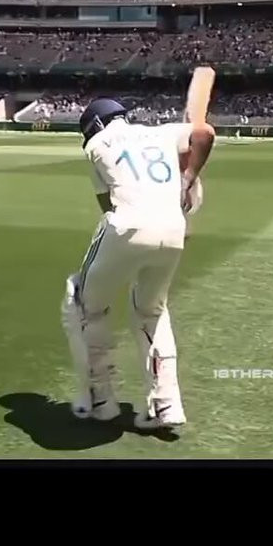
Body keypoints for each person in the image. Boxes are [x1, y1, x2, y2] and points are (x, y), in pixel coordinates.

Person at [61, 97, 214, 431]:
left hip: (127, 226)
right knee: (151, 311)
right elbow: (205, 133)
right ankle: (167, 405)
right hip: (173, 229)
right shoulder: (162, 132)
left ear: (94, 126)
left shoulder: (96, 144)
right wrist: (189, 177)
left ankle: (102, 400)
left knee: (83, 303)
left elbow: (108, 206)